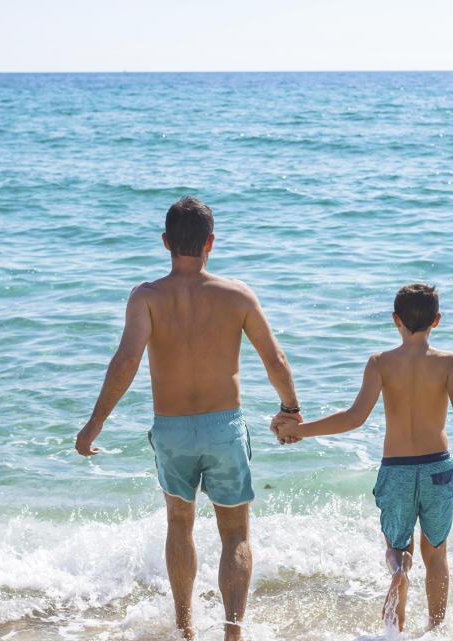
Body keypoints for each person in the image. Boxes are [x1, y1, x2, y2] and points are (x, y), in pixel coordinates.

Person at [75, 197, 302, 641]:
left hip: (172, 429)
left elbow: (125, 364)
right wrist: (290, 409)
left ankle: (185, 629)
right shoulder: (237, 294)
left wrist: (94, 423)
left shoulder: (147, 298)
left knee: (179, 523)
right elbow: (274, 359)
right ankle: (233, 631)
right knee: (235, 531)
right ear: (210, 243)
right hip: (224, 427)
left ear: (165, 242)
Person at [274, 283, 453, 632]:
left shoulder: (381, 363)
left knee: (399, 549)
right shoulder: (449, 363)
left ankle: (397, 585)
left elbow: (354, 418)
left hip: (396, 471)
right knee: (437, 554)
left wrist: (298, 431)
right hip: (437, 471)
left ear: (395, 319)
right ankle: (436, 629)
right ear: (437, 321)